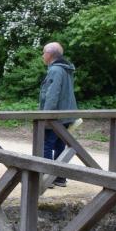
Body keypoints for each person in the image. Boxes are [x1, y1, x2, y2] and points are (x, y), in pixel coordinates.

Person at [39, 41, 78, 188]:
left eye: (43, 52)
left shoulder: (55, 70)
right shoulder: (66, 69)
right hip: (66, 114)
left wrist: (45, 116)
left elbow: (52, 95)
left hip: (55, 116)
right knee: (59, 145)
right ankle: (60, 178)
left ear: (49, 54)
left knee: (46, 145)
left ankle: (47, 178)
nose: (43, 55)